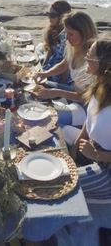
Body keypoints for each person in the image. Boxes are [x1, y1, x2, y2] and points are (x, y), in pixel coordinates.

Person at [62, 38, 111, 201]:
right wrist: (79, 141)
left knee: (61, 185)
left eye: (89, 55)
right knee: (57, 131)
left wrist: (97, 155)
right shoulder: (99, 85)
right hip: (90, 148)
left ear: (103, 63)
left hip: (106, 169)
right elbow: (90, 118)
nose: (85, 58)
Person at [34, 11, 97, 126]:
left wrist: (58, 92)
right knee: (35, 88)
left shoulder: (93, 59)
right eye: (66, 33)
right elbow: (64, 64)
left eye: (71, 34)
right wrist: (45, 74)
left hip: (86, 108)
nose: (67, 39)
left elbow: (86, 98)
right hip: (73, 92)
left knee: (44, 118)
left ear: (84, 33)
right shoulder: (75, 46)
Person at [37, 0, 72, 82]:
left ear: (62, 16)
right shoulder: (53, 29)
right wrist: (43, 66)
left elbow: (66, 65)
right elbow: (50, 50)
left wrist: (60, 84)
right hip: (52, 64)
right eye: (48, 14)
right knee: (39, 48)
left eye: (52, 15)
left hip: (60, 72)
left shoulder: (67, 35)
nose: (49, 18)